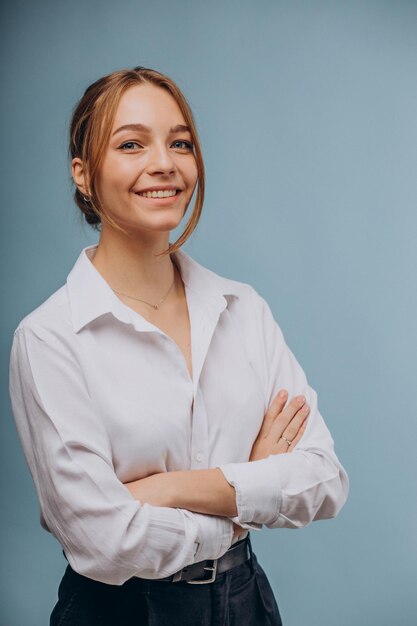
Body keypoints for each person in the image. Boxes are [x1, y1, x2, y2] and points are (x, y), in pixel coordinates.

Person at [8, 66, 349, 626]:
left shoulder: (244, 310)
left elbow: (324, 478)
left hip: (246, 602)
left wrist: (169, 489)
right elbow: (105, 540)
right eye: (132, 144)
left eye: (181, 142)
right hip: (119, 610)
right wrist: (247, 493)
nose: (164, 162)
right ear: (83, 175)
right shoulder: (49, 338)